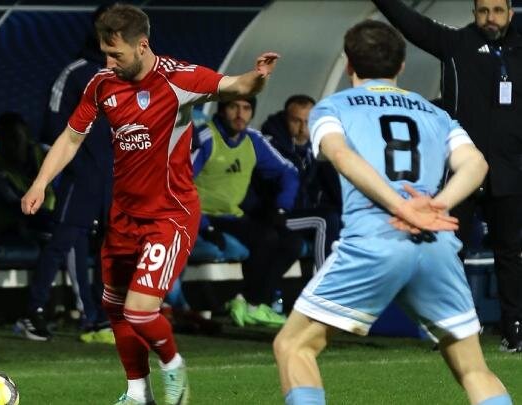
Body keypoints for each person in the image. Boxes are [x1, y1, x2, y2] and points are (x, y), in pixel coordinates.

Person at [20, 4, 279, 404]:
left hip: (169, 215)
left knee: (140, 310)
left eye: (116, 54)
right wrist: (40, 183)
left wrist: (258, 77)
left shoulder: (179, 79)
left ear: (142, 45)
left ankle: (173, 365)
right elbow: (71, 138)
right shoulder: (101, 84)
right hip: (123, 216)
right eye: (104, 53)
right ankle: (138, 392)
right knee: (115, 306)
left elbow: (237, 86)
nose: (108, 62)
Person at [273, 20, 512, 405]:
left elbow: (341, 155)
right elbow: (476, 164)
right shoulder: (435, 113)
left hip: (376, 239)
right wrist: (436, 205)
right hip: (436, 244)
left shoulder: (332, 107)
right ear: (401, 65)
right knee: (473, 369)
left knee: (294, 346)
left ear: (349, 64)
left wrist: (402, 208)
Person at [371, 0, 522, 353]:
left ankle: (514, 330)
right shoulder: (454, 43)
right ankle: (455, 329)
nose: (490, 18)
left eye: (497, 10)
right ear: (474, 13)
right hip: (460, 171)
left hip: (510, 171)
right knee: (449, 252)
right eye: (483, 11)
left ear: (510, 13)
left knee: (511, 254)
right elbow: (408, 21)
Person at [15, 5, 114, 344]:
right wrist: (58, 173)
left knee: (111, 249)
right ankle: (34, 313)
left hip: (115, 178)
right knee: (63, 243)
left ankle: (100, 317)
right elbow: (54, 127)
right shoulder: (76, 73)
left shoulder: (131, 74)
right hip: (81, 175)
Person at [192, 96, 303, 328]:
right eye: (234, 107)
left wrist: (282, 206)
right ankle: (248, 302)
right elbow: (178, 184)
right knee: (265, 238)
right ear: (222, 110)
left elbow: (288, 171)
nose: (240, 114)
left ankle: (251, 302)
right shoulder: (205, 138)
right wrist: (204, 226)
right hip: (202, 216)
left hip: (232, 215)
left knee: (292, 243)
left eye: (246, 108)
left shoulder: (253, 139)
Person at [261, 94, 342, 270]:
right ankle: (323, 282)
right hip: (275, 215)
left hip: (302, 213)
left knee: (343, 219)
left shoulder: (315, 149)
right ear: (285, 119)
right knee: (325, 220)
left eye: (308, 122)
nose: (302, 128)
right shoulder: (269, 145)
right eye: (296, 121)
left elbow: (333, 187)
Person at [0, 111, 54, 244]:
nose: (10, 145)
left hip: (50, 221)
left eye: (15, 138)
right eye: (3, 140)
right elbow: (18, 208)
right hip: (14, 230)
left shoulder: (46, 154)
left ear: (27, 137)